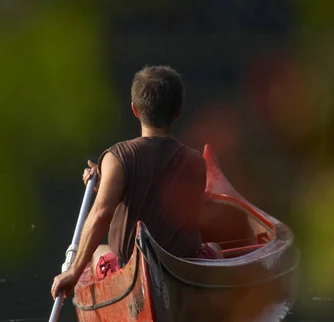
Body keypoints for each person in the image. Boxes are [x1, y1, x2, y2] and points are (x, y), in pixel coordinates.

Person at [51, 65, 219, 300]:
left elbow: (101, 213)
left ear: (134, 110)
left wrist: (73, 272)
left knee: (99, 251)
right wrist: (105, 184)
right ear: (178, 111)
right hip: (182, 266)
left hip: (129, 267)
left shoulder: (117, 157)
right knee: (216, 250)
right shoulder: (196, 162)